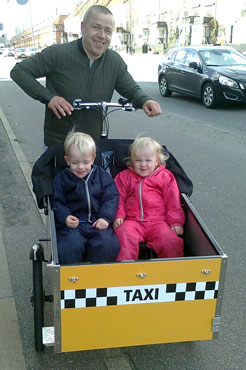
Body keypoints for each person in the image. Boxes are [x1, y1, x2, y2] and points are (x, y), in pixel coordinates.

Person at [10, 5, 162, 147]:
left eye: (108, 31)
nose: (102, 35)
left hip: (91, 146)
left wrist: (145, 100)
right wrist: (49, 97)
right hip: (59, 143)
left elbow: (131, 89)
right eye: (96, 27)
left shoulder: (114, 61)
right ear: (83, 27)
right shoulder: (58, 53)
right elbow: (19, 72)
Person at [53, 131, 120, 264]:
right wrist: (65, 216)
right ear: (67, 160)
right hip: (73, 224)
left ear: (93, 159)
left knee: (107, 244)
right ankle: (72, 278)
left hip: (97, 221)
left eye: (85, 162)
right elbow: (58, 201)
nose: (81, 167)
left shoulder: (101, 175)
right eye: (75, 163)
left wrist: (105, 217)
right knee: (68, 247)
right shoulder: (62, 178)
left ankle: (98, 276)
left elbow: (111, 197)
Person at [113, 137, 185, 260]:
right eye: (138, 160)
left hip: (159, 221)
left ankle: (173, 272)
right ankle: (124, 270)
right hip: (132, 220)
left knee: (170, 241)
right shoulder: (124, 177)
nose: (143, 165)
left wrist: (175, 222)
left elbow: (172, 201)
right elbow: (118, 198)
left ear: (157, 161)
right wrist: (119, 216)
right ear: (131, 161)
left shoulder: (165, 177)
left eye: (148, 160)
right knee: (123, 235)